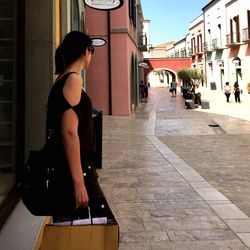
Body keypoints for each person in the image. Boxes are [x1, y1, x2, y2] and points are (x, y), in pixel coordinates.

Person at [46, 31, 112, 219]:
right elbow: (68, 132)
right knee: (97, 226)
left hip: (64, 167)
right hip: (75, 168)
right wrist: (79, 183)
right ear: (86, 51)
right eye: (92, 51)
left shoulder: (60, 79)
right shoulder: (73, 79)